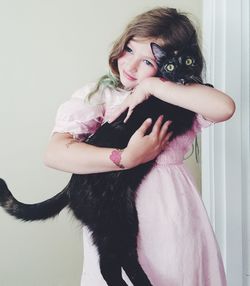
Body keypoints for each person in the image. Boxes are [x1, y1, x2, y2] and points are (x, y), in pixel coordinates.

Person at [44, 7, 235, 286]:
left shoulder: (181, 98)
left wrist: (152, 88)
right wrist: (126, 157)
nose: (131, 66)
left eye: (148, 61)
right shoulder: (102, 95)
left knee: (177, 271)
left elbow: (224, 107)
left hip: (173, 219)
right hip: (112, 212)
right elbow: (55, 154)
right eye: (129, 50)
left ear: (172, 62)